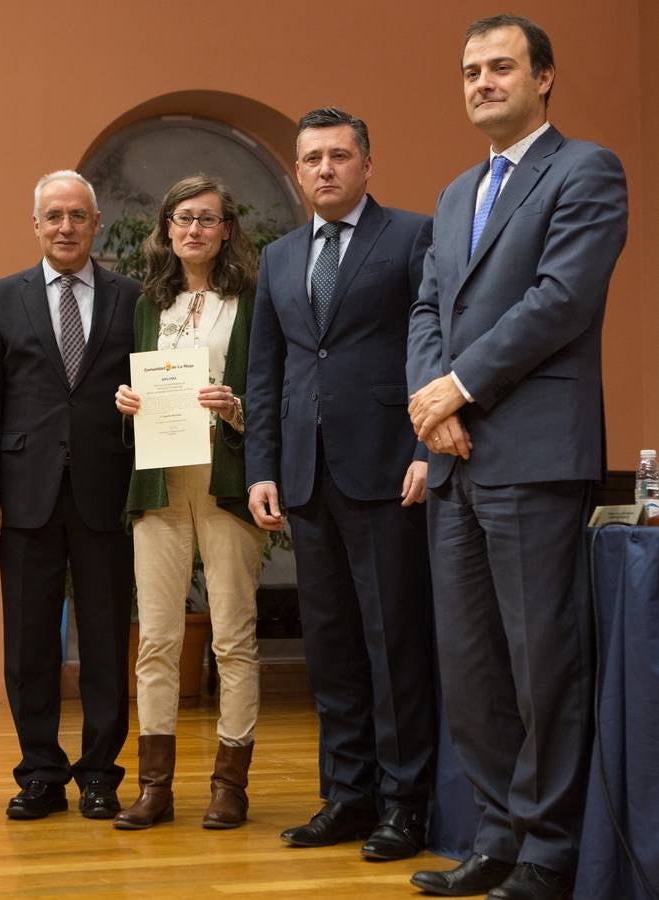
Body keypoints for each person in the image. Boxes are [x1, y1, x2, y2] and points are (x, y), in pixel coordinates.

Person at [406, 15, 627, 900]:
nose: (481, 81)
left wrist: (459, 387)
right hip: (455, 455)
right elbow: (426, 308)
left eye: (500, 66)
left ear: (544, 79)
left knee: (542, 669)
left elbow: (558, 299)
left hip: (533, 457)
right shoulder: (457, 193)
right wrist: (432, 405)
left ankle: (547, 854)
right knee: (472, 668)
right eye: (469, 70)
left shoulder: (585, 171)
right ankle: (495, 838)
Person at [245, 108, 434, 860]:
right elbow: (266, 371)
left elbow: (432, 343)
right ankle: (345, 797)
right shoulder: (282, 255)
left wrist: (428, 447)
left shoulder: (411, 237)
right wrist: (262, 466)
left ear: (366, 164)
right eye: (312, 158)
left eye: (339, 155)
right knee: (329, 647)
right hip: (305, 476)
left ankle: (404, 804)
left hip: (390, 470)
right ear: (297, 171)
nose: (325, 168)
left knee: (393, 644)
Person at [0, 170, 139, 821]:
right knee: (29, 643)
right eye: (53, 216)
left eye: (77, 216)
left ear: (95, 224)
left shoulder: (131, 298)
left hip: (107, 496)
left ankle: (99, 772)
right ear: (35, 225)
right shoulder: (0, 298)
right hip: (23, 497)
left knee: (102, 640)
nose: (65, 227)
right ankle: (39, 772)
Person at [112, 175, 267, 831]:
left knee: (232, 637)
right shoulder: (149, 304)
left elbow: (274, 391)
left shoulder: (255, 302)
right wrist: (126, 408)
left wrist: (238, 409)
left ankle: (229, 786)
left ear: (226, 229)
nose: (194, 229)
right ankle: (155, 788)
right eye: (182, 218)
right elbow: (137, 395)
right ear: (166, 230)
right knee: (156, 640)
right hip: (159, 481)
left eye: (207, 218)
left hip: (225, 479)